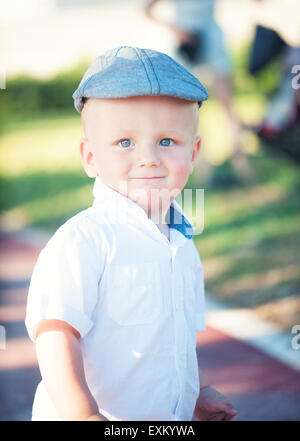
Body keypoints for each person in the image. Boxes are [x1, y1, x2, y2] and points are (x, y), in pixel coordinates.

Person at [25, 46, 238, 421]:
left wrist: (198, 392)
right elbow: (56, 333)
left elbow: (176, 337)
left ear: (194, 153)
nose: (148, 158)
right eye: (125, 142)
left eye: (167, 142)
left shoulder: (182, 243)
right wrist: (84, 415)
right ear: (90, 157)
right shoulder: (84, 241)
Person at [145, 0, 254, 184]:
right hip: (186, 43)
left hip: (213, 39)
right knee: (192, 110)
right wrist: (178, 31)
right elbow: (147, 10)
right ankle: (204, 170)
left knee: (228, 106)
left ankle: (241, 165)